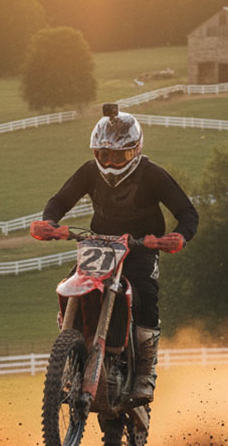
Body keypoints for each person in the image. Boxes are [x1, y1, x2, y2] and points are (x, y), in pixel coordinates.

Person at [33, 103, 198, 406]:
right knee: (70, 283)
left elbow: (187, 212)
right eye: (103, 154)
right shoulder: (89, 171)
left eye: (119, 155)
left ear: (135, 150)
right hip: (99, 245)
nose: (110, 161)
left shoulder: (152, 175)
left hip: (140, 248)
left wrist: (178, 237)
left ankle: (145, 372)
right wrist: (50, 222)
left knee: (146, 294)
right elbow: (60, 199)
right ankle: (71, 351)